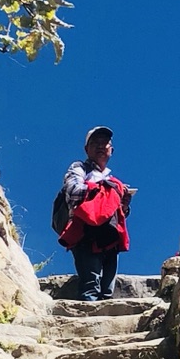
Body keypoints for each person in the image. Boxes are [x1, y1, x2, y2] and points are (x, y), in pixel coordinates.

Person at [56, 126, 135, 300]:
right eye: (95, 143)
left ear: (111, 150)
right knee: (91, 285)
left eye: (105, 143)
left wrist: (122, 203)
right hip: (86, 234)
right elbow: (72, 191)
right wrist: (104, 190)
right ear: (87, 149)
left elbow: (117, 213)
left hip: (109, 237)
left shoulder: (112, 180)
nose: (101, 146)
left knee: (107, 291)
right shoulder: (79, 168)